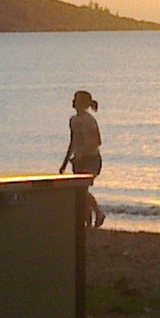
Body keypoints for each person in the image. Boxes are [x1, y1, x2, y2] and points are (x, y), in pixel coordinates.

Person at [60, 90, 106, 227]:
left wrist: (82, 155)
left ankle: (98, 213)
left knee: (82, 190)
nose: (73, 101)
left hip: (91, 159)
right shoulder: (73, 120)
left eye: (76, 99)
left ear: (83, 103)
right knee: (80, 193)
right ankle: (88, 223)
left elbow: (97, 142)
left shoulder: (89, 120)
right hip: (78, 160)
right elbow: (73, 142)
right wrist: (64, 163)